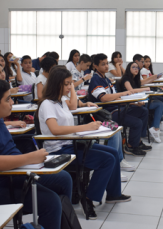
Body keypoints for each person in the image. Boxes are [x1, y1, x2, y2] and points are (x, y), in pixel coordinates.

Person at [0, 79, 71, 229]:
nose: (12, 102)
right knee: (51, 202)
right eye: (7, 99)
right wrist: (30, 158)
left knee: (64, 179)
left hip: (17, 174)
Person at [39, 66, 131, 219]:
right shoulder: (47, 104)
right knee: (107, 159)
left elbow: (74, 105)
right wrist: (85, 127)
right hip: (59, 150)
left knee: (113, 153)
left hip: (71, 143)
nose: (70, 87)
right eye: (67, 84)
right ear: (56, 84)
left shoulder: (61, 100)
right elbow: (55, 129)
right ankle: (88, 198)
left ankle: (113, 194)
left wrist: (71, 90)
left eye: (70, 83)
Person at [88, 53, 150, 156]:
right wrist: (123, 93)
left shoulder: (106, 79)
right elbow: (104, 98)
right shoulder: (96, 79)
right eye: (103, 64)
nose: (106, 66)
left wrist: (134, 103)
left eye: (107, 63)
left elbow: (116, 97)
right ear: (95, 66)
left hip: (118, 107)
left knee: (143, 111)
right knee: (137, 122)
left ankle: (137, 141)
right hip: (107, 113)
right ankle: (130, 147)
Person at [117, 62, 163, 143]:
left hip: (139, 100)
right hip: (131, 103)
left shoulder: (134, 78)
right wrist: (145, 89)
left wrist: (154, 77)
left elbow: (145, 81)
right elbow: (131, 90)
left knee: (161, 105)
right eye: (134, 67)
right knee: (159, 105)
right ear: (129, 68)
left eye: (137, 68)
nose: (136, 69)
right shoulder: (126, 79)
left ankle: (153, 128)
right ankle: (155, 128)